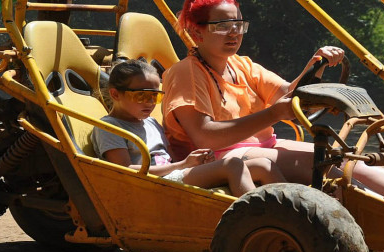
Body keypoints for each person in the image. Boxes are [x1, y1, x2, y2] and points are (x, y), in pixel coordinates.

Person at [161, 0, 384, 208]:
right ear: (197, 32)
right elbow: (204, 138)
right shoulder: (186, 72)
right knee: (324, 166)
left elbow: (289, 96)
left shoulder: (242, 65)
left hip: (258, 146)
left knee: (345, 160)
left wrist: (316, 64)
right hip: (215, 157)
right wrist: (273, 114)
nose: (234, 33)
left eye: (238, 24)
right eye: (222, 25)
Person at [91, 59, 286, 196]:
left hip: (172, 175)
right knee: (232, 165)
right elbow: (123, 170)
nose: (150, 103)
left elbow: (168, 156)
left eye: (155, 96)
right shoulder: (109, 127)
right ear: (116, 94)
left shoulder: (150, 123)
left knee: (263, 164)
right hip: (148, 185)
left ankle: (294, 217)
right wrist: (183, 165)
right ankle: (259, 221)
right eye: (142, 96)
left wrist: (197, 162)